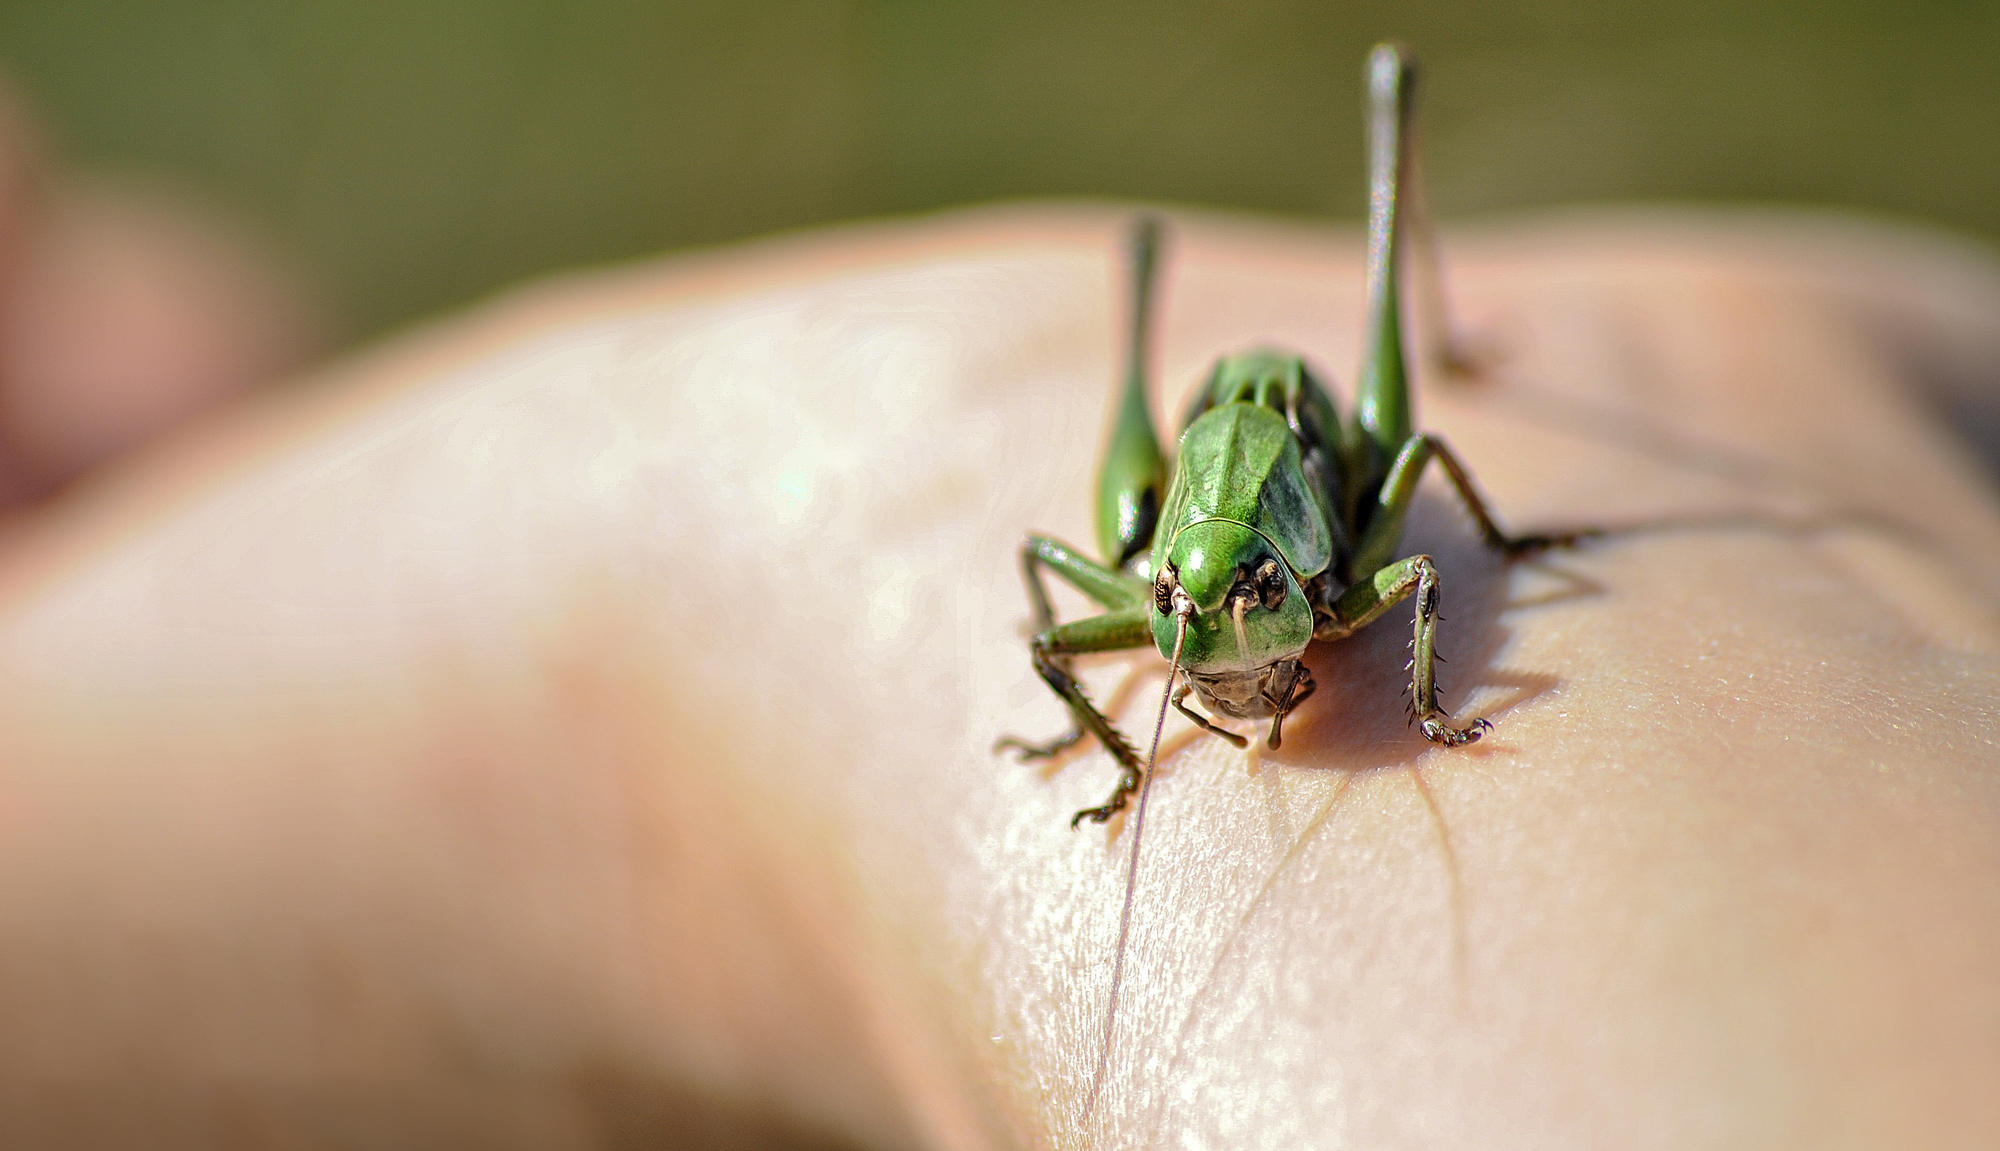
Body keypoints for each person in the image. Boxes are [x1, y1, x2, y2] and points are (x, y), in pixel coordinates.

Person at [0, 196, 1994, 1148]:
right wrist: (1098, 738)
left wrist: (1475, 607)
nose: (1227, 664)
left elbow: (1403, 519)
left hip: (1301, 434)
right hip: (1175, 465)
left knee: (1408, 469)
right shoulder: (1150, 603)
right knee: (1087, 548)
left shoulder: (1344, 561)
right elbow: (1064, 593)